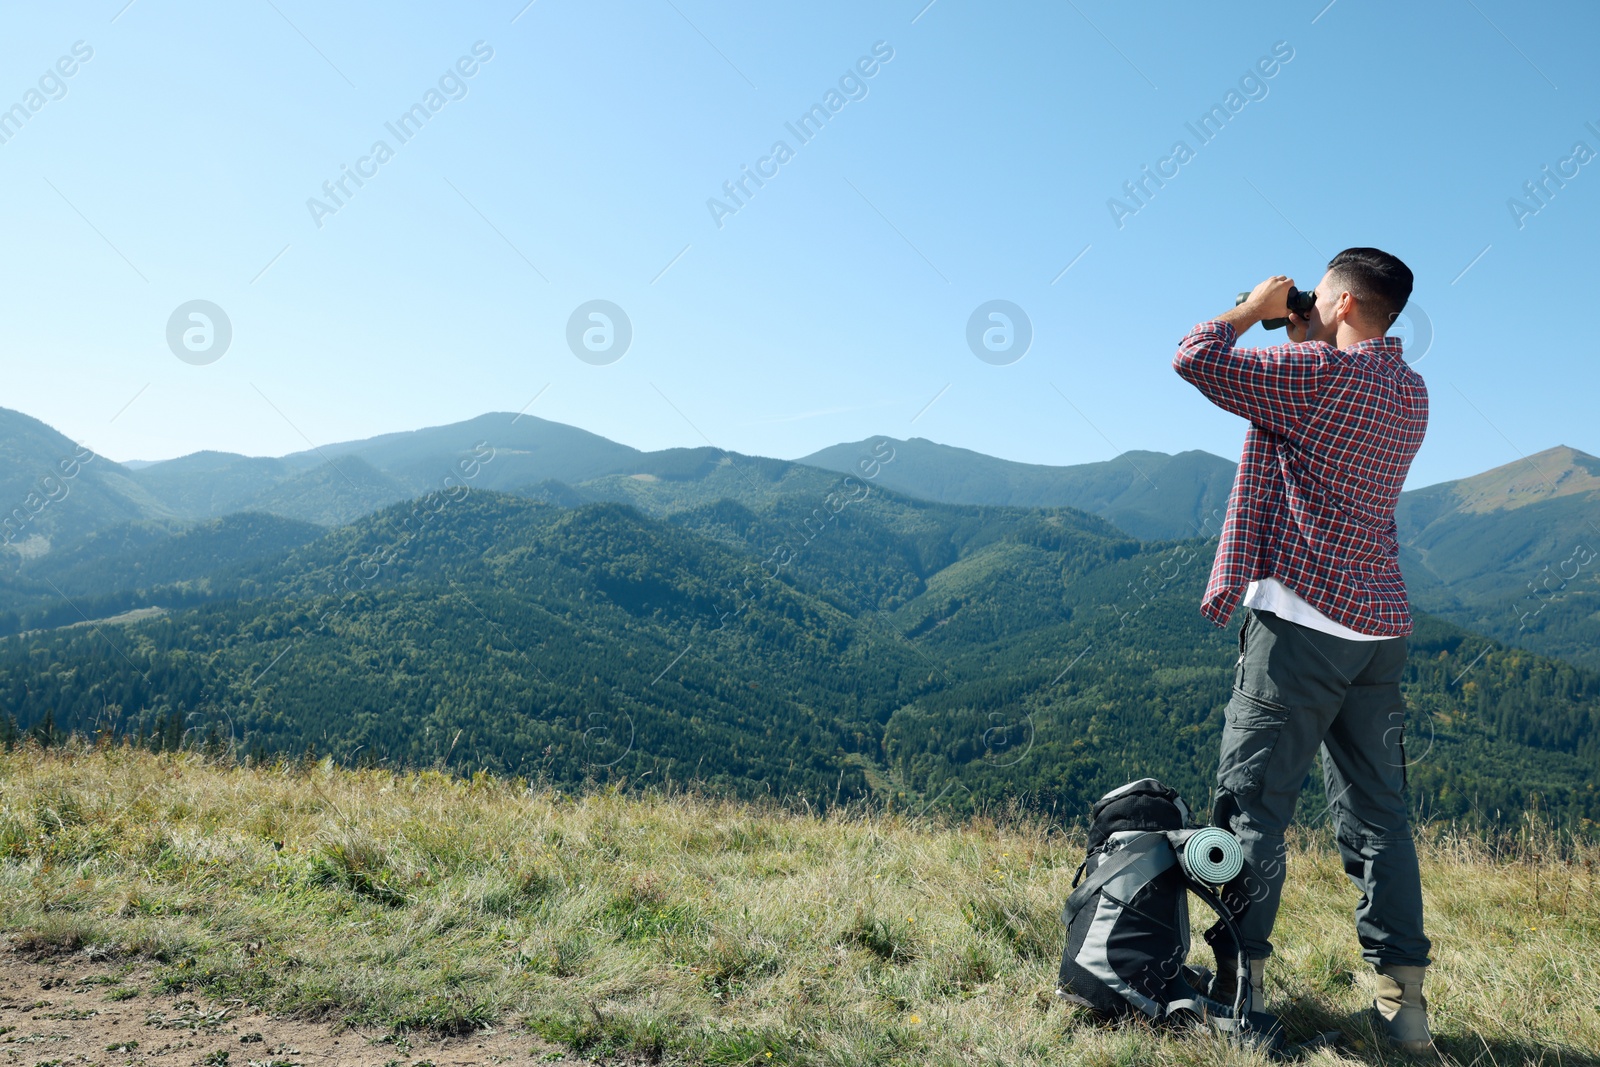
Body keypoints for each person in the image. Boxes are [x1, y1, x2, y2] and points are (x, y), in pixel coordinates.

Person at [1171, 248, 1433, 1053]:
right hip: (1377, 630)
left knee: (1254, 809)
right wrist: (1298, 328)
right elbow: (1303, 416)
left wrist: (1252, 308)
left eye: (1319, 295)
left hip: (1301, 627)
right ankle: (1405, 1015)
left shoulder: (1317, 378)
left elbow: (1195, 358)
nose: (1307, 303)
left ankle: (1234, 992)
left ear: (1347, 304)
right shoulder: (1409, 390)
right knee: (1379, 818)